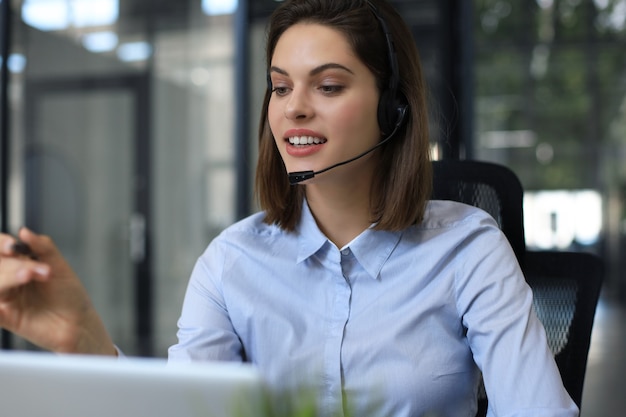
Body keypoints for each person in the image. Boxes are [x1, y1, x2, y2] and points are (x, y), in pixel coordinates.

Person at [0, 0, 578, 416]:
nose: (293, 109)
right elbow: (184, 411)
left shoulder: (468, 247)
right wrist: (88, 346)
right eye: (280, 87)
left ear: (394, 110)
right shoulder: (231, 262)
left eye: (327, 86)